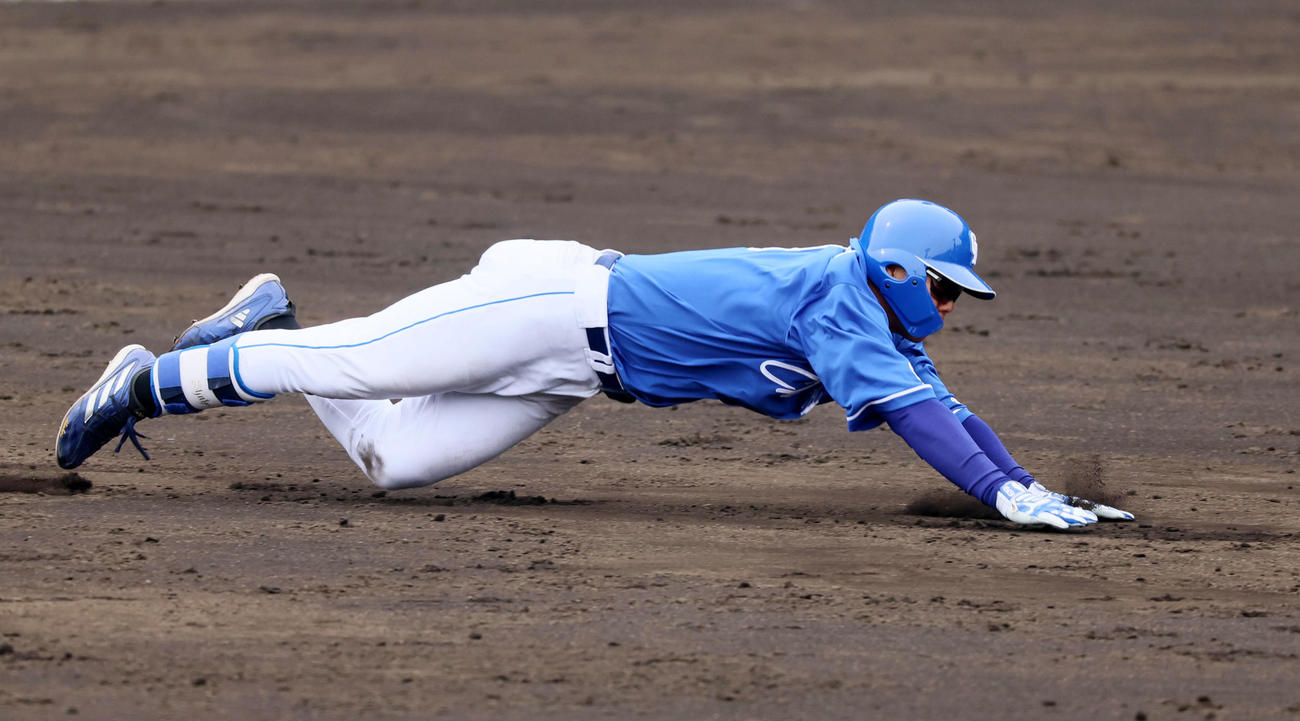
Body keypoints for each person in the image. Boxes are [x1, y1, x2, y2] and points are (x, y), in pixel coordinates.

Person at [55, 199, 1133, 528]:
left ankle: (267, 325)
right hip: (548, 307)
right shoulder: (840, 296)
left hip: (574, 372)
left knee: (391, 462)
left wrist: (1026, 486)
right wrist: (1001, 496)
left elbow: (944, 407)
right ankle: (145, 379)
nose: (949, 305)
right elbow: (920, 424)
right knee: (350, 360)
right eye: (944, 285)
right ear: (898, 270)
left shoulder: (870, 319)